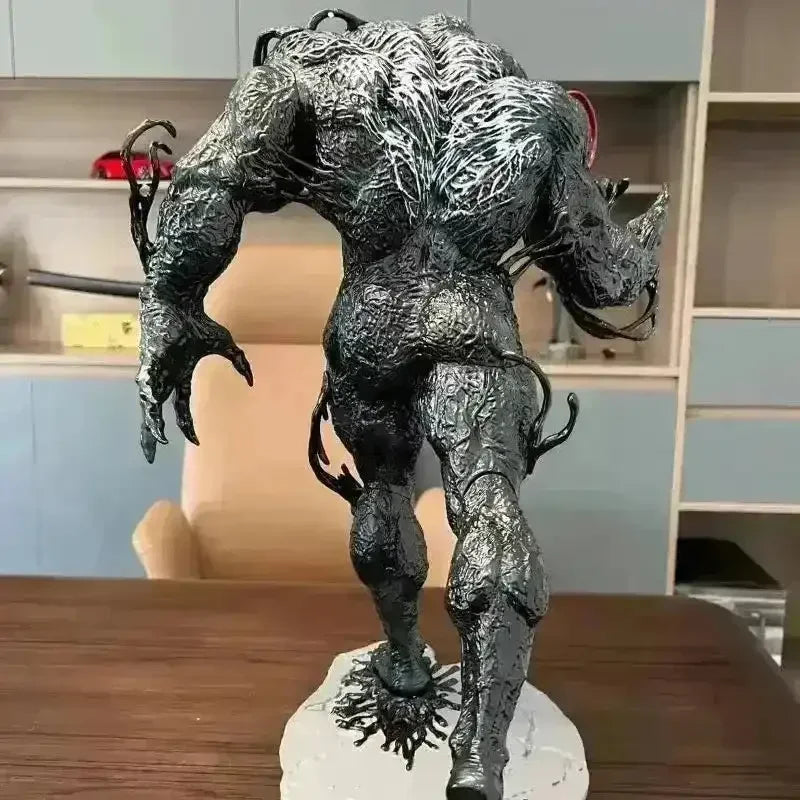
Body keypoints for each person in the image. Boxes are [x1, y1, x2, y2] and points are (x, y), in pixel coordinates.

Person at [127, 11, 667, 800]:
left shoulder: (312, 78)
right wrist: (643, 248)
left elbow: (209, 185)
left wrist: (172, 301)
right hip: (475, 327)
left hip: (371, 329)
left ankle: (406, 658)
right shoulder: (538, 113)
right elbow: (604, 276)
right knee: (491, 509)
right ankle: (480, 751)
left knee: (382, 489)